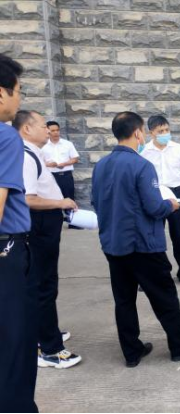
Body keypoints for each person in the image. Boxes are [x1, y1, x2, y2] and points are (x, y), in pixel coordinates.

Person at [91, 112, 180, 367]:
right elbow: (154, 207)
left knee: (124, 301)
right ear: (138, 133)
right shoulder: (141, 165)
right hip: (143, 245)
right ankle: (179, 346)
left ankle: (132, 352)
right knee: (165, 297)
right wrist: (170, 205)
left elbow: (96, 201)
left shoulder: (101, 165)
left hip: (113, 244)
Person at [13, 110, 82, 370]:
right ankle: (50, 350)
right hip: (39, 227)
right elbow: (28, 199)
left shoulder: (33, 153)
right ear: (27, 129)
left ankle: (45, 331)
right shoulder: (25, 156)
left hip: (45, 226)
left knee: (44, 284)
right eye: (43, 125)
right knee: (43, 285)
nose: (48, 130)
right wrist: (60, 202)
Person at [0, 53, 38, 414]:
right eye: (19, 90)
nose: (19, 99)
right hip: (6, 252)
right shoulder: (5, 137)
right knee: (14, 346)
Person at [141, 115, 180, 288]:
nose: (165, 133)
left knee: (178, 236)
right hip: (154, 196)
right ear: (151, 132)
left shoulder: (178, 149)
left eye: (167, 130)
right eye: (160, 131)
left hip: (175, 193)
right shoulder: (144, 151)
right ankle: (153, 276)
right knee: (153, 237)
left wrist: (173, 189)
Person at [42, 121, 80, 201]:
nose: (56, 132)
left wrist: (64, 164)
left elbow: (75, 158)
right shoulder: (43, 145)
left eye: (57, 130)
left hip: (66, 176)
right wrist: (49, 164)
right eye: (53, 131)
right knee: (52, 200)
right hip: (50, 176)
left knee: (69, 199)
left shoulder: (67, 144)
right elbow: (39, 162)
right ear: (47, 131)